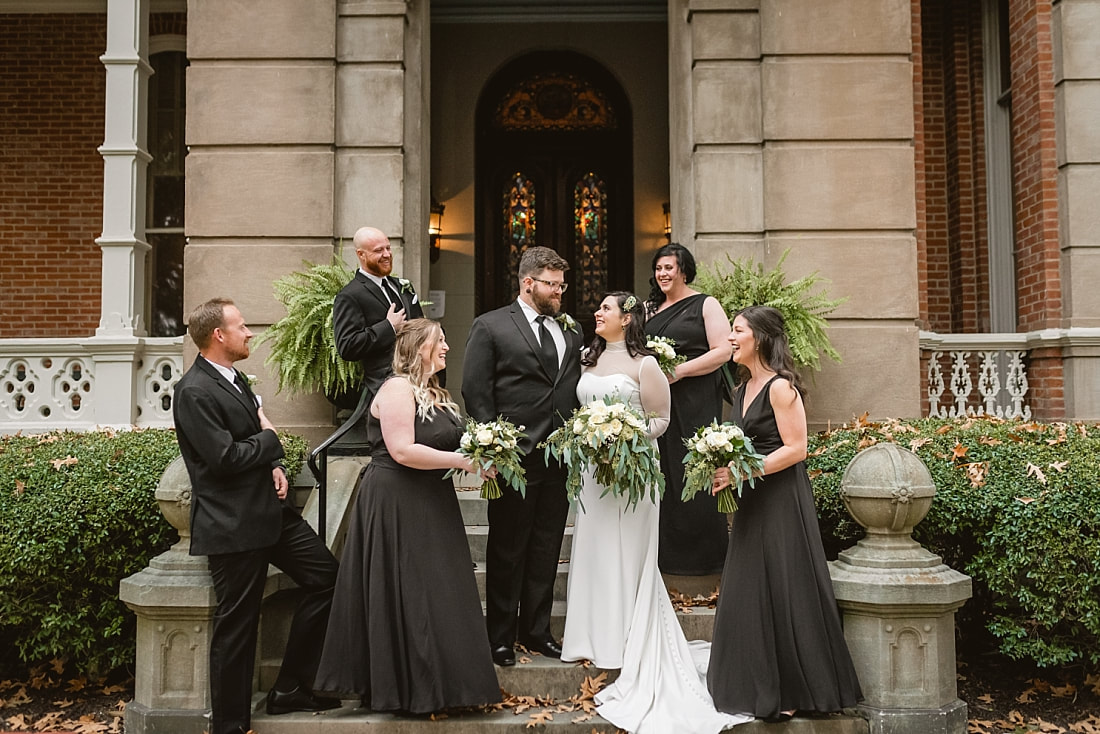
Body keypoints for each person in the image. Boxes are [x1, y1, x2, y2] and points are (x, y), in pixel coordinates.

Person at [560, 292, 752, 734]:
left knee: (626, 551)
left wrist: (624, 437)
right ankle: (589, 635)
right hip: (592, 472)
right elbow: (581, 410)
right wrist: (588, 437)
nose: (598, 313)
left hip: (631, 474)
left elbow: (660, 420)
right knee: (592, 547)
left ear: (626, 319)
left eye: (606, 309)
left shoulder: (646, 365)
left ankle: (624, 637)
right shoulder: (587, 360)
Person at [315, 319, 501, 713]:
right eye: (440, 341)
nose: (447, 347)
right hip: (397, 499)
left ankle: (447, 688)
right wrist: (465, 462)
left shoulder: (434, 393)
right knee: (409, 590)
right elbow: (401, 450)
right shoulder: (397, 388)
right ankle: (406, 689)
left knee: (439, 589)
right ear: (419, 348)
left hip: (431, 497)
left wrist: (486, 453)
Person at [172, 298, 341, 734]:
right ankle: (229, 726)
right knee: (237, 629)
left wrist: (275, 466)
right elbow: (224, 457)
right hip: (233, 525)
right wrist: (271, 442)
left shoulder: (233, 379)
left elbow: (244, 442)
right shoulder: (193, 391)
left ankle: (289, 688)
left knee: (328, 578)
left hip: (273, 514)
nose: (250, 333)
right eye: (242, 326)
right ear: (218, 336)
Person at [708, 305, 862, 722]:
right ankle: (759, 684)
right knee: (752, 586)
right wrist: (724, 471)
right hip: (753, 500)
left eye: (737, 331)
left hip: (781, 500)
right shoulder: (740, 391)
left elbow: (796, 449)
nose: (730, 338)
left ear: (759, 337)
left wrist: (743, 469)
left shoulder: (781, 388)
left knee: (785, 585)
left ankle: (796, 689)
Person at [462, 246, 585, 667]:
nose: (559, 293)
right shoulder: (491, 326)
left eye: (562, 285)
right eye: (552, 284)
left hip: (559, 458)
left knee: (547, 548)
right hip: (512, 458)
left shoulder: (571, 331)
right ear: (528, 283)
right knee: (507, 549)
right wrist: (491, 448)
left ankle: (536, 631)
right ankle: (499, 637)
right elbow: (476, 391)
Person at [643, 242, 733, 575]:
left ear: (684, 270)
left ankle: (702, 561)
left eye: (669, 267)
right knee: (662, 470)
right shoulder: (647, 309)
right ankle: (662, 557)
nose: (662, 274)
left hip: (695, 397)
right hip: (656, 402)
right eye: (658, 268)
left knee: (692, 469)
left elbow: (724, 351)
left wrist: (679, 370)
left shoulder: (705, 304)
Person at [333, 226, 427, 409]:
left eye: (388, 248)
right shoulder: (350, 295)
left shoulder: (401, 286)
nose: (387, 254)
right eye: (378, 250)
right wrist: (388, 327)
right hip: (384, 388)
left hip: (418, 383)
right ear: (361, 255)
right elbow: (347, 345)